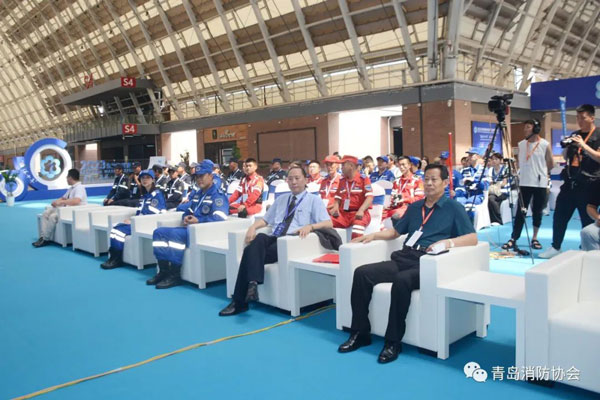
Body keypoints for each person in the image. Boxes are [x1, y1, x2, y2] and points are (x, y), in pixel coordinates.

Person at [338, 164, 477, 363]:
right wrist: (373, 235)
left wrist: (448, 243)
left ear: (445, 182)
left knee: (402, 280)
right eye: (426, 179)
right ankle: (360, 333)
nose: (429, 183)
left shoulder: (454, 208)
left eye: (434, 179)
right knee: (362, 273)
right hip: (405, 256)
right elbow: (396, 232)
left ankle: (393, 342)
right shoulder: (415, 207)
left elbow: (472, 237)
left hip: (428, 262)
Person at [219, 165, 333, 316]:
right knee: (259, 238)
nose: (294, 182)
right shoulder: (281, 199)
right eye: (290, 179)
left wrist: (311, 226)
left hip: (292, 243)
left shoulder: (314, 200)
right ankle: (252, 285)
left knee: (248, 252)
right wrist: (253, 227)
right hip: (275, 237)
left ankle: (240, 301)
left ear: (305, 180)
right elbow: (266, 220)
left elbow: (328, 223)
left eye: (297, 178)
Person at [149, 160, 229, 289]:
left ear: (211, 176)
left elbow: (220, 217)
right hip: (190, 229)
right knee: (158, 232)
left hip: (204, 233)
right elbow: (188, 210)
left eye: (202, 176)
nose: (199, 179)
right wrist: (185, 217)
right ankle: (163, 271)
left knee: (175, 235)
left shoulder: (218, 195)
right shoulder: (198, 194)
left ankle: (175, 275)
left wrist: (199, 221)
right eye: (197, 177)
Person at [540, 105, 600, 258]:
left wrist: (583, 145)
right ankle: (556, 246)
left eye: (583, 118)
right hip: (570, 182)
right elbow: (567, 158)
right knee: (559, 216)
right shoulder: (575, 134)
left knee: (587, 219)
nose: (579, 121)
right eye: (577, 118)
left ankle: (587, 249)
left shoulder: (598, 134)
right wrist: (567, 148)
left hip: (589, 185)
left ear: (592, 118)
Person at [502, 120, 554, 253]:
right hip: (524, 182)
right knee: (520, 212)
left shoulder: (544, 144)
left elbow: (551, 163)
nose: (525, 130)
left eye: (528, 127)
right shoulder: (521, 144)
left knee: (537, 211)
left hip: (540, 183)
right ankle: (514, 238)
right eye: (524, 127)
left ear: (536, 129)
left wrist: (543, 173)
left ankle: (535, 238)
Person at [101, 170, 166, 269]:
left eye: (148, 178)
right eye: (143, 178)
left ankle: (116, 260)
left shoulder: (156, 195)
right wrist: (133, 220)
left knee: (118, 231)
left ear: (153, 180)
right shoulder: (145, 195)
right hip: (140, 222)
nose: (145, 180)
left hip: (148, 224)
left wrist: (133, 221)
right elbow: (140, 211)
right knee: (115, 228)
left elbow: (151, 214)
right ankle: (113, 257)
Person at [32, 169, 88, 248]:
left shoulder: (79, 188)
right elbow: (63, 198)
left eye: (67, 177)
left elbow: (76, 201)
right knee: (46, 213)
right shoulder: (71, 188)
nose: (66, 179)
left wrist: (61, 202)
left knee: (53, 216)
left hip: (74, 211)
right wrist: (56, 202)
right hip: (65, 209)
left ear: (70, 177)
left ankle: (45, 239)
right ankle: (42, 237)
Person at [330, 155, 373, 239]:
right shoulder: (342, 181)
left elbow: (369, 197)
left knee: (357, 228)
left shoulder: (364, 179)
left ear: (351, 166)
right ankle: (335, 246)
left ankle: (355, 246)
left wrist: (361, 210)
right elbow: (338, 197)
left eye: (343, 165)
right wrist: (335, 207)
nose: (341, 168)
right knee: (326, 223)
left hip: (359, 213)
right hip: (344, 214)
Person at [381, 156, 424, 222]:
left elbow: (420, 199)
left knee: (396, 216)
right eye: (399, 165)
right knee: (380, 215)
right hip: (397, 207)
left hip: (410, 208)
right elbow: (393, 196)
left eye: (403, 164)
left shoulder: (417, 180)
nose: (401, 167)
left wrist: (404, 199)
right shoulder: (397, 181)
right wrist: (393, 201)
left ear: (409, 165)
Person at [455, 147, 490, 218]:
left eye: (471, 155)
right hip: (465, 194)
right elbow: (460, 185)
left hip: (478, 195)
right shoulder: (464, 170)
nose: (469, 157)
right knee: (456, 202)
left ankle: (469, 223)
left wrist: (474, 180)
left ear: (477, 156)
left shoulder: (484, 170)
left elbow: (486, 185)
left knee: (469, 204)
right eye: (468, 155)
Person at [487, 153, 511, 225]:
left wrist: (496, 185)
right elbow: (490, 183)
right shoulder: (490, 170)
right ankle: (493, 220)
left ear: (500, 160)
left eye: (496, 159)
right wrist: (496, 185)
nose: (494, 161)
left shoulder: (505, 169)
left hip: (504, 191)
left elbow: (504, 183)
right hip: (494, 191)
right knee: (490, 199)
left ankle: (498, 220)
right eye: (492, 159)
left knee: (491, 199)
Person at [580, 180, 600, 251]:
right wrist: (598, 217)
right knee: (587, 232)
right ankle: (593, 257)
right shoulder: (597, 183)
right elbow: (591, 207)